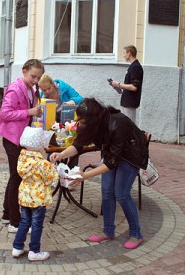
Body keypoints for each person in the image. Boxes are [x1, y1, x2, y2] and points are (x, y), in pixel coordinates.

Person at [50, 98, 149, 249]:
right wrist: (61, 154)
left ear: (92, 119)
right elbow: (78, 146)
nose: (79, 124)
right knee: (107, 191)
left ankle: (136, 234)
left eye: (82, 121)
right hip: (113, 155)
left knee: (121, 194)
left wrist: (84, 176)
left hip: (131, 156)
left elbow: (111, 163)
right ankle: (108, 231)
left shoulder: (118, 123)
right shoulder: (90, 126)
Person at [0, 59, 44, 233]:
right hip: (12, 138)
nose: (36, 80)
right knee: (16, 177)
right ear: (24, 71)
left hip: (19, 137)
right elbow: (5, 113)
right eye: (33, 76)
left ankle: (7, 214)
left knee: (15, 176)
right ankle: (15, 223)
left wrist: (33, 112)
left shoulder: (30, 89)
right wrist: (29, 112)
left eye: (38, 77)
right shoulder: (15, 88)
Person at [12, 127, 59, 261]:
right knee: (37, 224)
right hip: (38, 199)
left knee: (25, 221)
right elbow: (52, 180)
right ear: (40, 145)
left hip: (25, 197)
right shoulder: (43, 163)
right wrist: (53, 166)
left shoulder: (21, 159)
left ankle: (17, 247)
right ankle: (34, 250)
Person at [110, 45, 144, 123]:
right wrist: (117, 86)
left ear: (129, 53)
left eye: (125, 53)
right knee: (125, 125)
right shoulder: (132, 66)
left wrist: (118, 84)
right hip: (127, 101)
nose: (124, 55)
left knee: (130, 126)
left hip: (130, 102)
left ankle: (144, 135)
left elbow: (134, 87)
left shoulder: (136, 67)